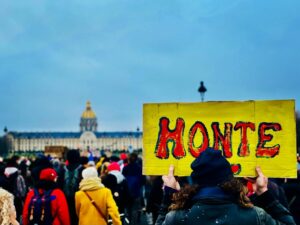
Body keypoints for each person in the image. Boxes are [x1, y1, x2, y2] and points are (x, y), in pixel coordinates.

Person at [155, 147, 296, 225]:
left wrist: (169, 195)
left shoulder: (176, 218)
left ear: (195, 183)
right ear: (230, 180)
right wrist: (264, 193)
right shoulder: (255, 216)